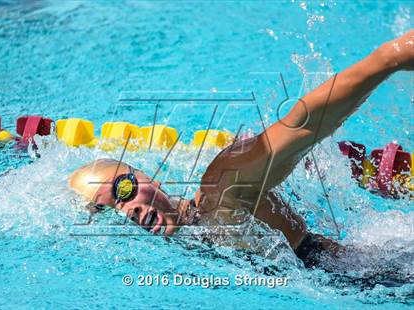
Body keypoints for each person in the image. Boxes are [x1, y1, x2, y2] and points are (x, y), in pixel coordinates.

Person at [69, 31, 413, 268]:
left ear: (146, 178)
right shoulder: (185, 244)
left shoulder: (220, 190)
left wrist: (387, 59)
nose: (126, 211)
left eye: (123, 190)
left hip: (378, 277)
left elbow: (303, 124)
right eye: (105, 211)